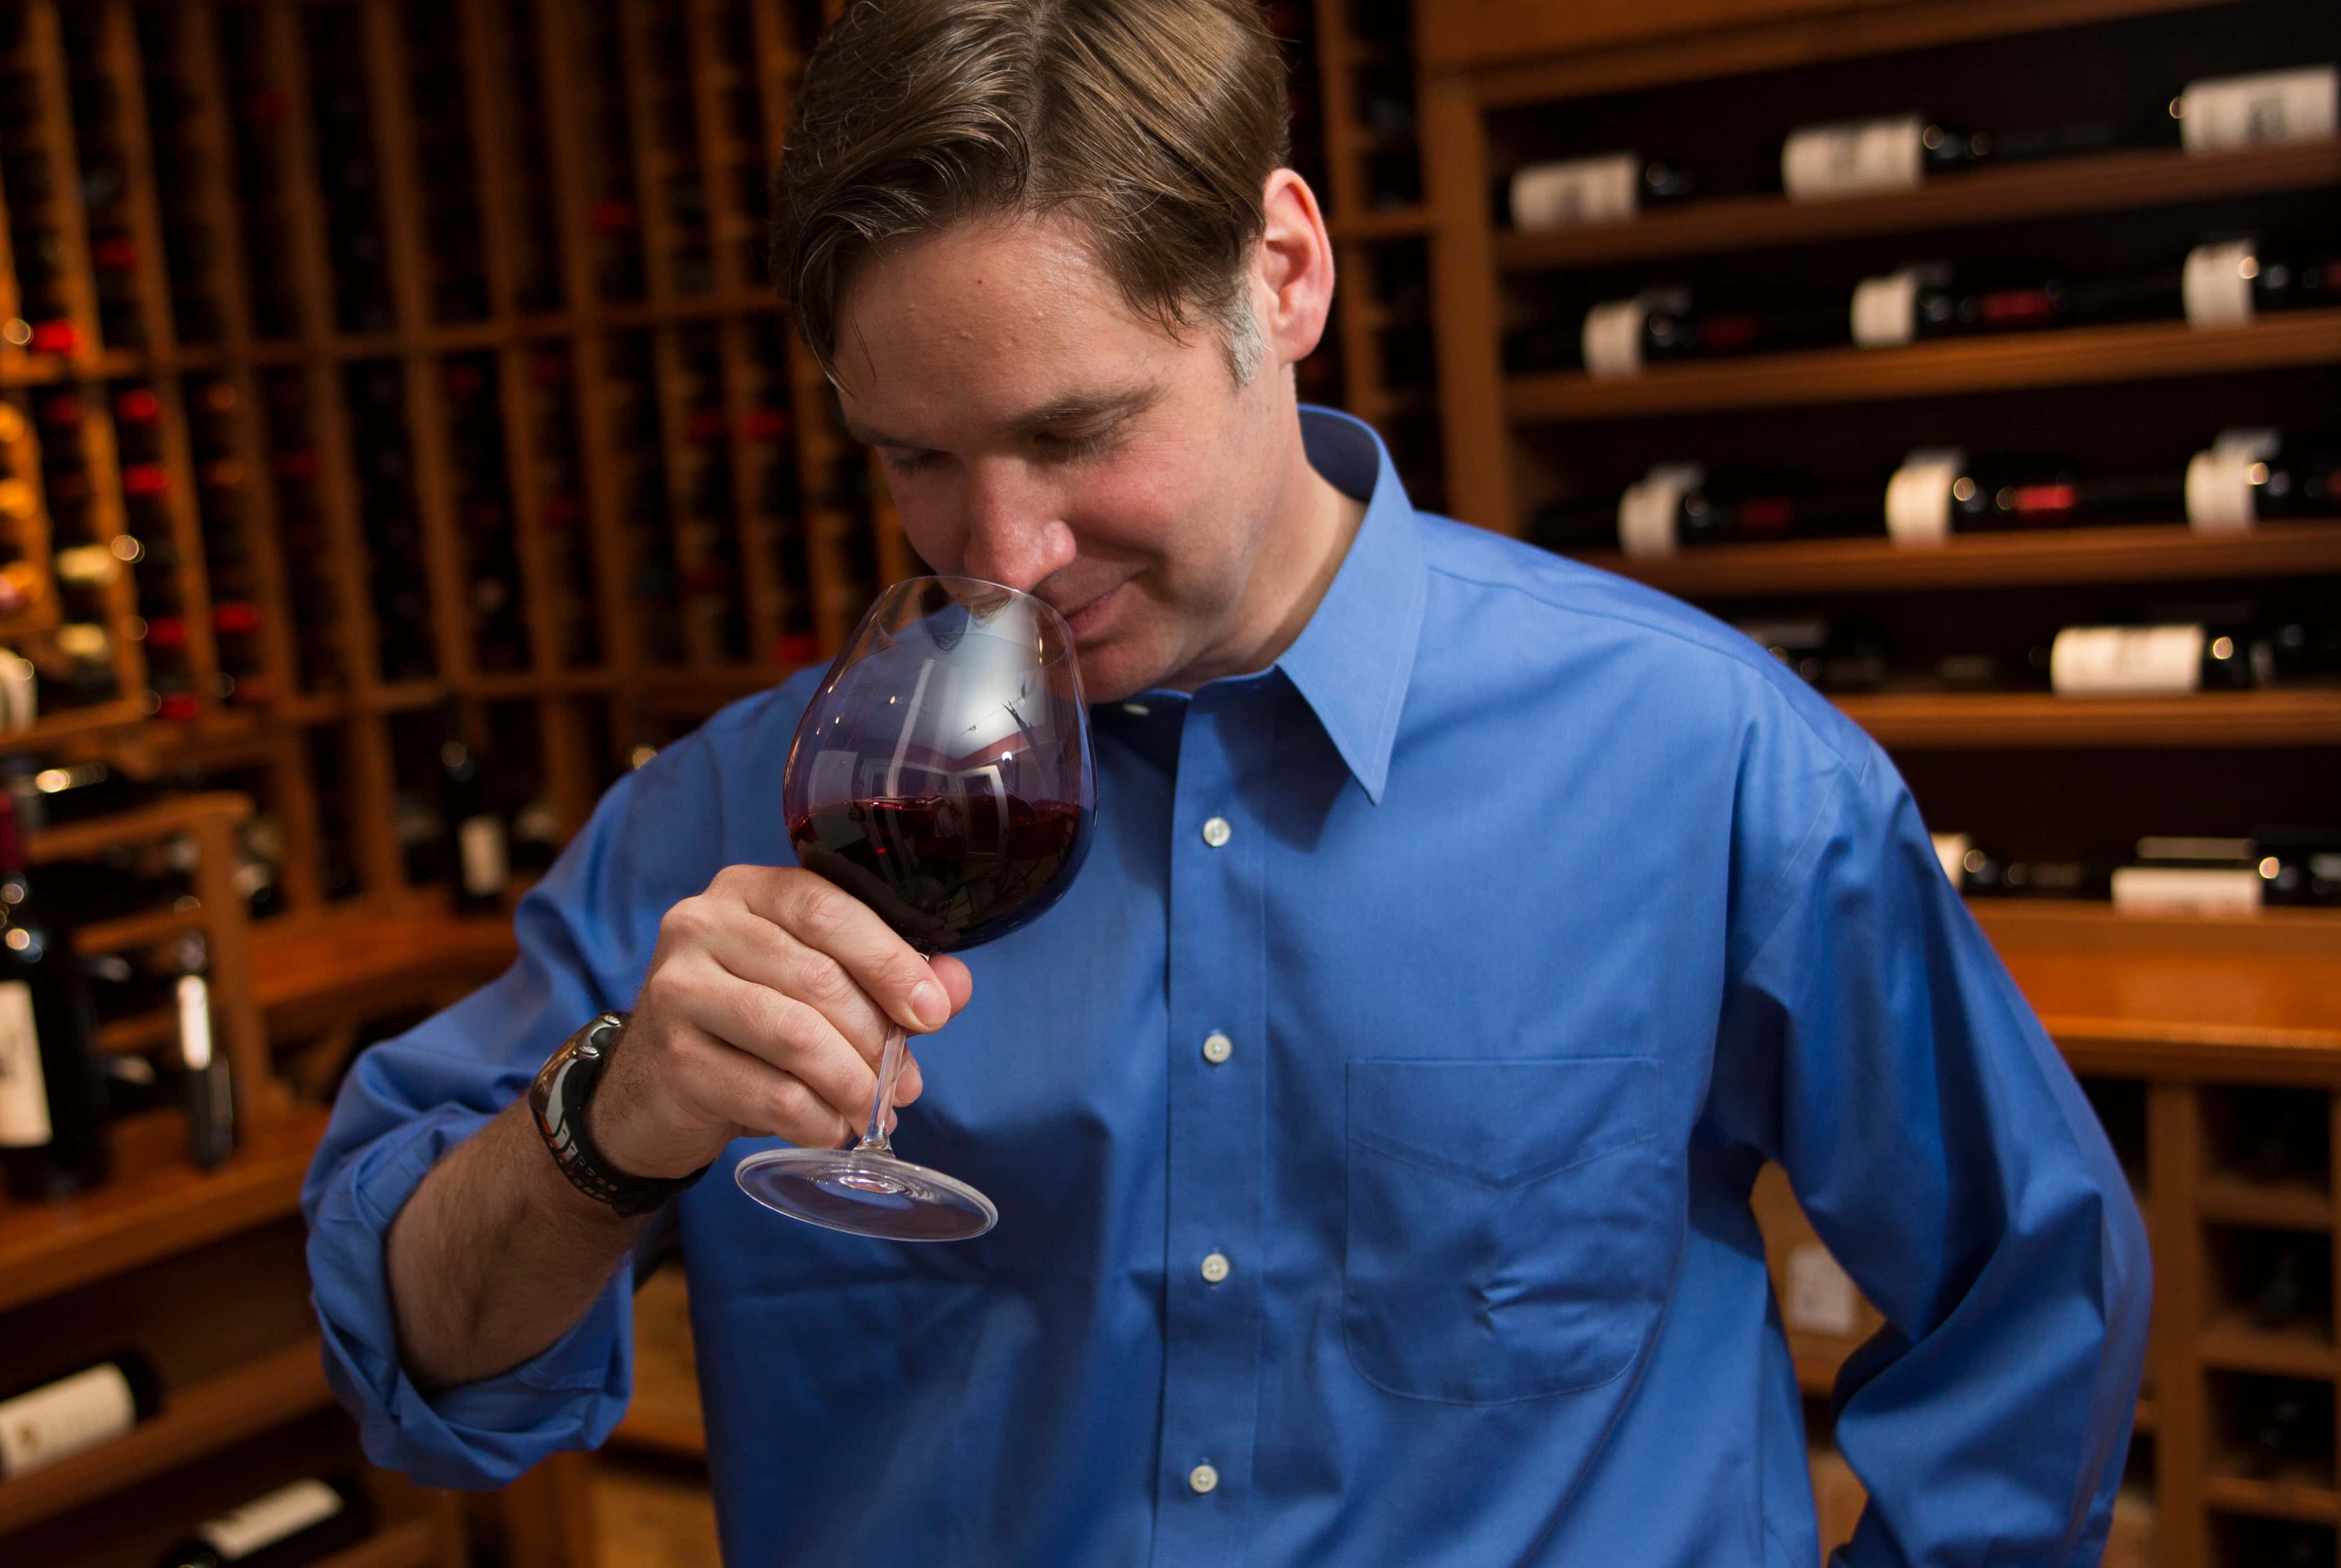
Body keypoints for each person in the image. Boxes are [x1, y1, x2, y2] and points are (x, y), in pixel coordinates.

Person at [303, 1, 2149, 1562]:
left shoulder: (1705, 761)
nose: (1005, 553)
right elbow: (415, 1359)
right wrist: (598, 1126)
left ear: (1282, 271)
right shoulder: (730, 825)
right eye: (916, 460)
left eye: (1076, 432)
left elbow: (2032, 1297)